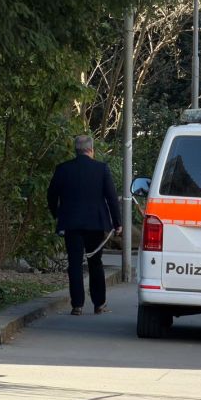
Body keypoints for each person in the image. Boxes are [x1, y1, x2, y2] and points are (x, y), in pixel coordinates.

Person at [47, 135, 122, 316]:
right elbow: (111, 197)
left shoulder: (63, 169)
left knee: (74, 263)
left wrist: (58, 215)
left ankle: (77, 305)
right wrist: (117, 223)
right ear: (91, 149)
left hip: (71, 223)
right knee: (95, 262)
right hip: (95, 224)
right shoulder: (101, 169)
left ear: (76, 150)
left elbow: (51, 195)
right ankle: (99, 304)